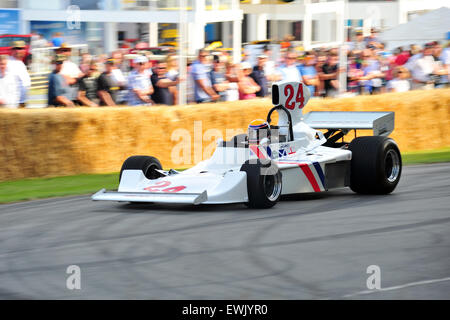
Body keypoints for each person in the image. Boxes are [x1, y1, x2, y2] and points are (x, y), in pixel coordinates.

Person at [7, 41, 31, 108]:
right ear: (12, 50)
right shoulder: (9, 64)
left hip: (22, 102)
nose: (19, 51)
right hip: (13, 103)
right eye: (17, 48)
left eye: (22, 48)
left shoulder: (21, 63)